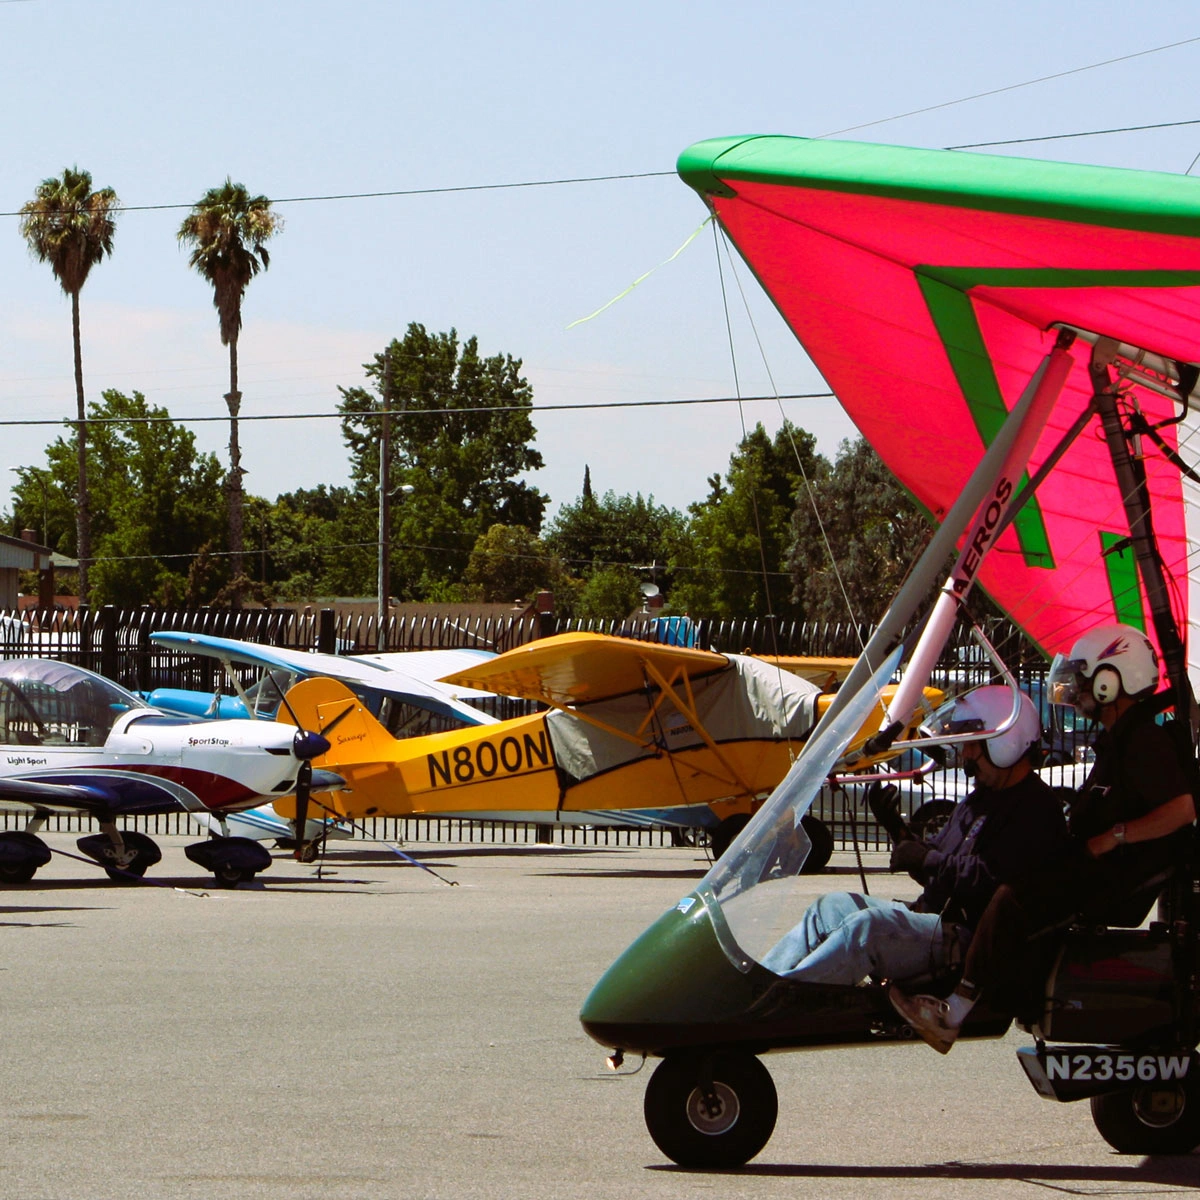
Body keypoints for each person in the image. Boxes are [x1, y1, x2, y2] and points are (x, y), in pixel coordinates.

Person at [892, 623, 1198, 1053]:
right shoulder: (1120, 739)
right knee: (1010, 881)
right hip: (1088, 863)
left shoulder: (1144, 740)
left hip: (1106, 876)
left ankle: (955, 1011)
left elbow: (1184, 809)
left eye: (1084, 678)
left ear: (1112, 680)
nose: (1075, 689)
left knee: (1011, 895)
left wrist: (1114, 837)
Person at [759, 686, 1068, 987]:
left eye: (973, 744)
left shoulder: (1035, 809)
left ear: (1006, 741)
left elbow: (990, 879)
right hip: (933, 919)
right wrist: (899, 832)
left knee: (867, 929)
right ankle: (758, 982)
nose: (966, 755)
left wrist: (927, 858)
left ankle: (786, 994)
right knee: (831, 907)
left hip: (966, 938)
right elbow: (936, 867)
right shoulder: (981, 799)